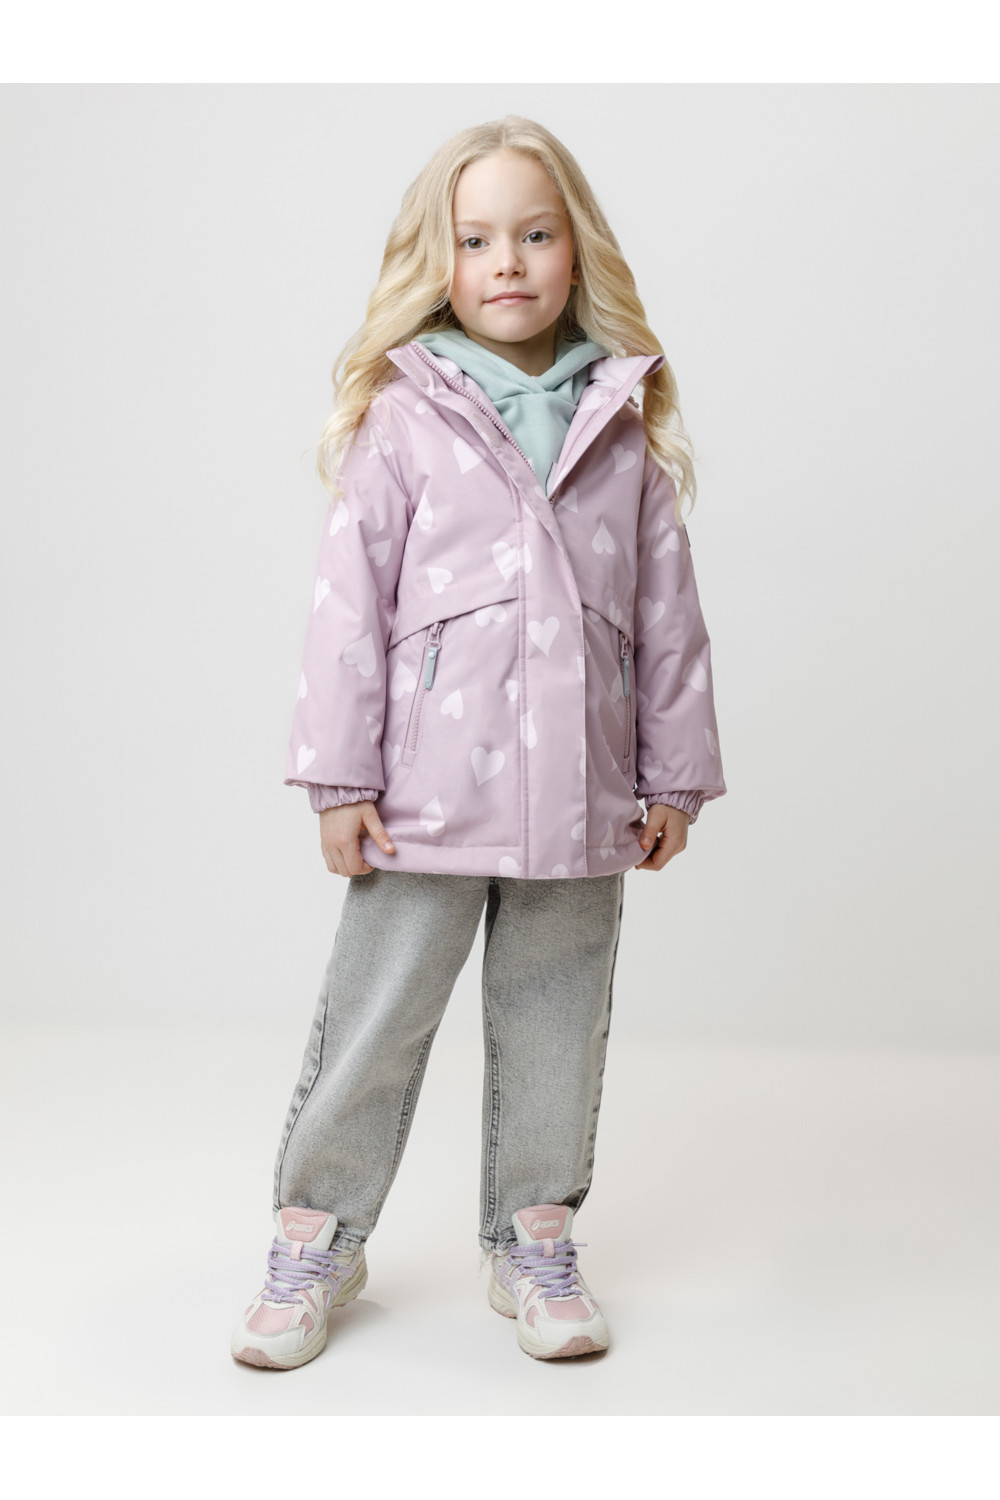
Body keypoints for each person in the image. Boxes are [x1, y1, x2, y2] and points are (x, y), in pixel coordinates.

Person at [231, 114, 726, 1370]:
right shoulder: (406, 418)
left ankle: (532, 1235)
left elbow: (668, 618)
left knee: (558, 1018)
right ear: (438, 263)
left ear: (575, 250)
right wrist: (339, 778)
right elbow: (347, 607)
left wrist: (673, 777)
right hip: (423, 794)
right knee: (378, 1016)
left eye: (534, 234)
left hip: (583, 795)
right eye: (474, 239)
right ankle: (316, 1234)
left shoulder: (620, 425)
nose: (506, 261)